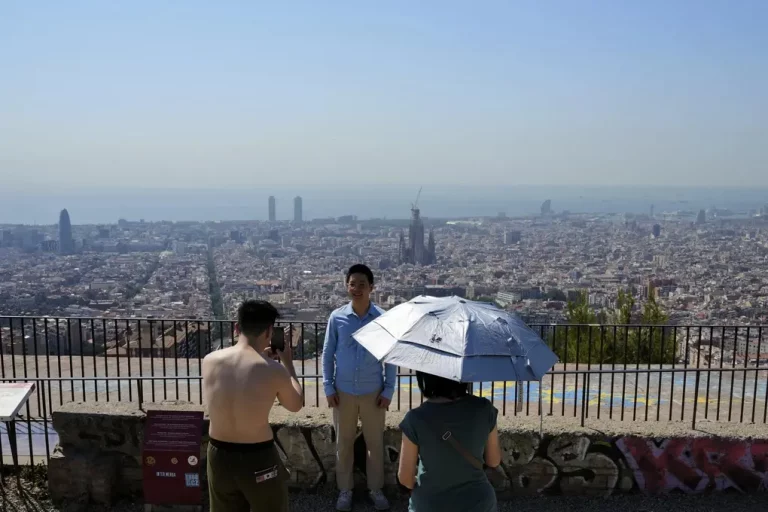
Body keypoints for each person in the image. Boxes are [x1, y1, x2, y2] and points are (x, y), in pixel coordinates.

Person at [202, 300, 303, 512]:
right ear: (269, 331)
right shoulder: (273, 370)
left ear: (237, 328)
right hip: (257, 457)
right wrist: (288, 364)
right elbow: (295, 404)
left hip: (218, 454)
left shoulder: (210, 360)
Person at [322, 263, 396, 511]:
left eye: (361, 284)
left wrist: (388, 390)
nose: (356, 289)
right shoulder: (337, 317)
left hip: (373, 391)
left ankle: (375, 489)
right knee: (343, 443)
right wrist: (328, 386)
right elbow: (327, 353)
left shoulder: (383, 318)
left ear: (371, 288)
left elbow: (390, 356)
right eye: (352, 284)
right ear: (347, 286)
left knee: (375, 444)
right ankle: (345, 490)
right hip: (343, 391)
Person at [397, 371, 501, 512]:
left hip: (430, 504)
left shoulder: (415, 418)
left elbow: (405, 479)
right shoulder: (484, 409)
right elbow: (493, 461)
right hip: (479, 503)